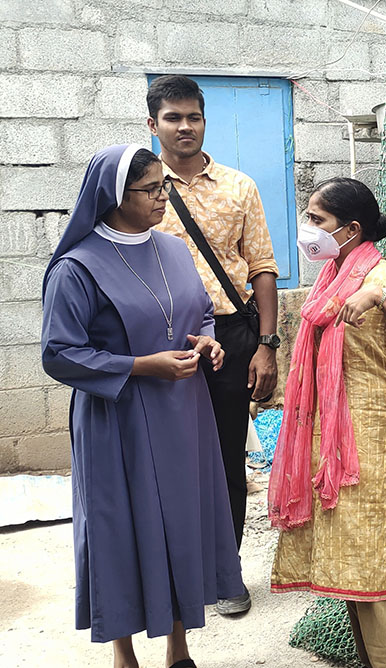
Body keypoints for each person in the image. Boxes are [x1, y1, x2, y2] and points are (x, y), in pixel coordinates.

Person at [40, 145, 242, 668]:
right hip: (117, 421)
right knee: (120, 528)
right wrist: (140, 366)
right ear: (113, 196)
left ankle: (179, 648)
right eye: (152, 189)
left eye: (165, 187)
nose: (163, 197)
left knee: (180, 521)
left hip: (182, 415)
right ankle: (123, 653)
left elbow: (198, 313)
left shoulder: (172, 249)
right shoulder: (77, 267)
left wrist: (207, 339)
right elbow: (59, 353)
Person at [269, 177, 386, 668]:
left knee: (377, 566)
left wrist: (381, 294)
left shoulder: (380, 274)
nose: (308, 229)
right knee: (352, 563)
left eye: (317, 220)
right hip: (336, 446)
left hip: (376, 444)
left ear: (349, 229)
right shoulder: (330, 276)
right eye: (307, 217)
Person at [147, 74, 280, 615]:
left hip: (230, 334)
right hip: (159, 341)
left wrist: (267, 345)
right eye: (173, 117)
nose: (184, 127)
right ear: (151, 124)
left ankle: (227, 574)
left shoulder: (239, 186)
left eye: (193, 117)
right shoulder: (140, 190)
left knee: (227, 456)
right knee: (166, 457)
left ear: (205, 120)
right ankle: (173, 572)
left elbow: (264, 269)